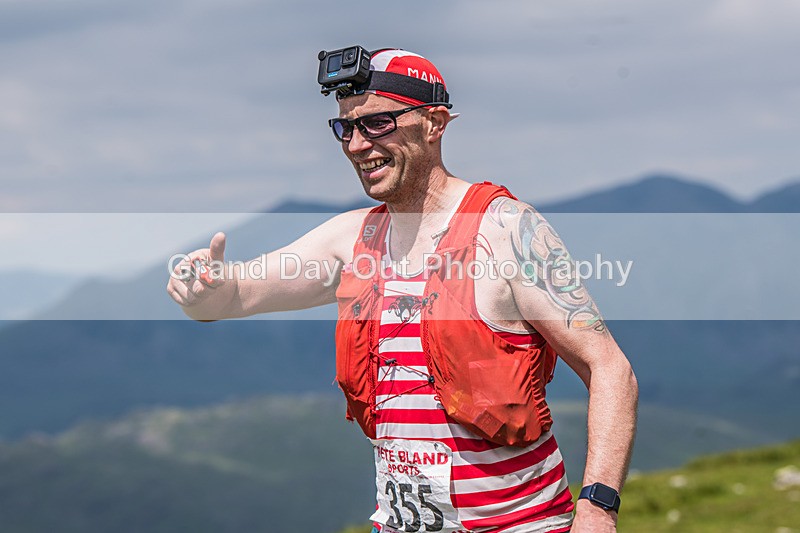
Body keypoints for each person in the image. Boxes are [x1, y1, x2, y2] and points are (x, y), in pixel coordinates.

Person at [166, 48, 638, 533]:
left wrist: (597, 508)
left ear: (434, 123)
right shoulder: (352, 241)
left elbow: (609, 368)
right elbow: (234, 295)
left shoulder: (504, 230)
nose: (355, 144)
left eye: (377, 123)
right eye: (345, 128)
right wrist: (204, 289)